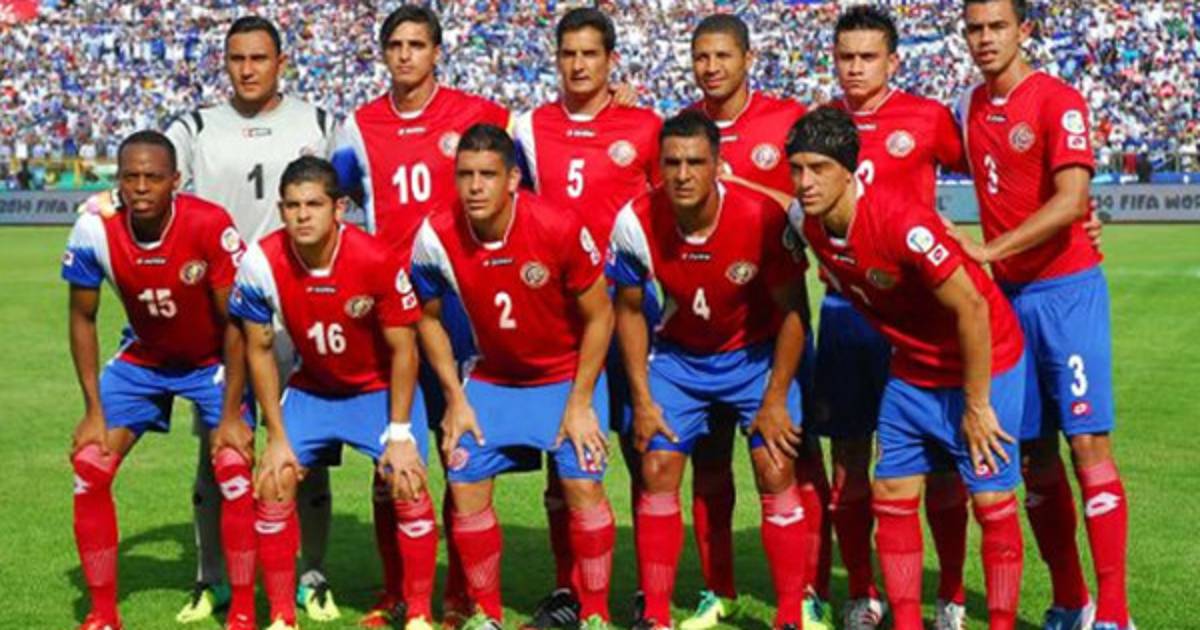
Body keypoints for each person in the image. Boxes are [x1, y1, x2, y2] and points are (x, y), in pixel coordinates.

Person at [786, 107, 1027, 630]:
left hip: (986, 360)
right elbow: (756, 201)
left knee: (990, 499)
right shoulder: (805, 219)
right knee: (891, 493)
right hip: (913, 369)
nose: (805, 183)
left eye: (819, 169)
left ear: (849, 172)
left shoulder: (903, 223)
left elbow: (974, 308)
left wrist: (978, 405)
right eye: (797, 169)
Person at [329, 6, 510, 624]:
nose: (405, 55)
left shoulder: (478, 114)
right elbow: (333, 196)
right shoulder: (359, 125)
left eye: (417, 45)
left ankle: (458, 592)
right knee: (392, 453)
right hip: (390, 311)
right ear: (384, 53)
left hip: (457, 305)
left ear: (437, 52)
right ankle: (397, 592)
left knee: (457, 450)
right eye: (395, 45)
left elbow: (529, 166)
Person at [958, 2, 1131, 629]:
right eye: (974, 28)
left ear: (1023, 30)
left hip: (1067, 293)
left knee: (1087, 443)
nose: (985, 38)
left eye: (997, 26)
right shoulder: (967, 107)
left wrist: (990, 249)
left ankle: (1114, 614)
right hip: (1009, 303)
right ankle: (1070, 601)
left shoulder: (1058, 100)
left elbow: (1072, 199)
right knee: (1032, 454)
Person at [162, 16, 340, 623]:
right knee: (221, 449)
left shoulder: (320, 123)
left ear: (280, 62)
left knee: (307, 450)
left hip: (301, 312)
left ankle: (311, 576)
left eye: (259, 58)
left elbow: (355, 194)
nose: (247, 69)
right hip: (225, 318)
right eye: (236, 58)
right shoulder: (195, 128)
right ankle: (210, 577)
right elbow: (148, 171)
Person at [609, 110, 811, 630]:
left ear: (718, 165)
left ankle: (791, 613)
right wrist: (642, 399)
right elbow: (628, 311)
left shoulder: (763, 217)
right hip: (679, 359)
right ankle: (656, 616)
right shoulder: (635, 219)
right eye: (672, 163)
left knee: (776, 465)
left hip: (755, 357)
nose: (683, 174)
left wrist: (774, 398)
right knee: (657, 467)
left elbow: (795, 312)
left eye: (695, 162)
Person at [411, 124, 616, 630]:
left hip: (566, 376)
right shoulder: (435, 234)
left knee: (582, 486)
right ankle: (488, 615)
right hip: (493, 379)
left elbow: (600, 316)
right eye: (465, 175)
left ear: (513, 179)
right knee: (463, 479)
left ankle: (594, 614)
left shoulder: (557, 225)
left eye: (487, 175)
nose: (475, 186)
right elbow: (426, 318)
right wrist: (455, 398)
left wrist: (581, 403)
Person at [228, 157, 434, 630]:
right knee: (275, 478)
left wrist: (399, 433)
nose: (302, 215)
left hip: (378, 391)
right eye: (292, 206)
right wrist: (276, 435)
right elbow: (258, 349)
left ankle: (419, 613)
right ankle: (282, 616)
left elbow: (405, 350)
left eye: (314, 204)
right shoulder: (261, 261)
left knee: (406, 480)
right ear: (281, 209)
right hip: (313, 389)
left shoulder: (375, 258)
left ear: (338, 208)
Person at [64, 131, 251, 630]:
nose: (141, 187)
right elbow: (81, 318)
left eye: (153, 177)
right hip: (144, 360)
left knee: (234, 469)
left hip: (211, 362)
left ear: (176, 180)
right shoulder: (93, 228)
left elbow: (236, 326)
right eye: (131, 177)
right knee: (89, 467)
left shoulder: (209, 223)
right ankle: (103, 615)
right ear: (118, 181)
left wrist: (231, 413)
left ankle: (243, 611)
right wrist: (93, 412)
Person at [510, 7, 661, 627]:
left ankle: (650, 594)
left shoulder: (646, 127)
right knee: (565, 460)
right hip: (562, 318)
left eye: (590, 54)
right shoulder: (527, 127)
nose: (578, 65)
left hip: (631, 310)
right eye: (568, 53)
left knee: (645, 452)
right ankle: (569, 591)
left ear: (610, 60)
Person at [825, 8, 970, 629]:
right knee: (850, 455)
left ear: (893, 61)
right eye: (846, 57)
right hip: (848, 310)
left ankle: (952, 595)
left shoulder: (928, 118)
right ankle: (863, 592)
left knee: (940, 460)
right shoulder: (822, 123)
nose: (855, 68)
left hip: (921, 315)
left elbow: (992, 172)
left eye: (867, 57)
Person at [685, 14, 829, 629]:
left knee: (795, 458)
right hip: (706, 330)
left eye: (722, 55)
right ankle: (715, 592)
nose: (711, 67)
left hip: (778, 323)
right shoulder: (682, 130)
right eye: (701, 56)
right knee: (709, 461)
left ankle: (811, 594)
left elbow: (815, 202)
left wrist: (740, 190)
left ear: (748, 58)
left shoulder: (787, 121)